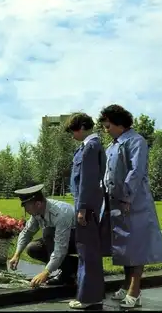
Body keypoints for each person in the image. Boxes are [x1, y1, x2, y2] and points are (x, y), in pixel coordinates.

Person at [98, 104, 162, 308]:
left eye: (108, 126)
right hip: (116, 204)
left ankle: (135, 292)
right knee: (124, 247)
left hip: (134, 203)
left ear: (120, 124)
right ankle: (126, 285)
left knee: (136, 246)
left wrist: (127, 198)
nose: (105, 130)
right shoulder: (112, 146)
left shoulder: (136, 141)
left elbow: (136, 171)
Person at [64, 113, 107, 309]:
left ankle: (89, 298)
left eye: (73, 130)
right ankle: (90, 295)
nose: (72, 135)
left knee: (87, 251)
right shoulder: (89, 146)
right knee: (87, 251)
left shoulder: (90, 147)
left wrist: (82, 208)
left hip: (86, 206)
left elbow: (88, 182)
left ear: (81, 127)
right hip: (87, 204)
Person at [8, 184, 78, 287]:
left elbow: (60, 248)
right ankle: (74, 266)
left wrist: (46, 272)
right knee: (33, 248)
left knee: (48, 233)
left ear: (38, 204)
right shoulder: (38, 212)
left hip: (82, 240)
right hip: (65, 240)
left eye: (27, 206)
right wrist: (17, 254)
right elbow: (27, 232)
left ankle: (67, 274)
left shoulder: (60, 214)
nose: (25, 210)